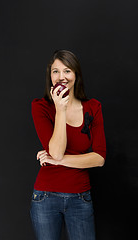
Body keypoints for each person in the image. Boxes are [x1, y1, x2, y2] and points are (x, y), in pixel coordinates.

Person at [30, 49, 106, 240]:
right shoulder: (40, 106)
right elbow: (55, 151)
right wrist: (60, 109)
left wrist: (58, 161)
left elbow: (99, 158)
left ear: (76, 74)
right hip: (45, 197)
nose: (61, 77)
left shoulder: (93, 107)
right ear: (50, 76)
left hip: (80, 197)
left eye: (67, 71)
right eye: (55, 71)